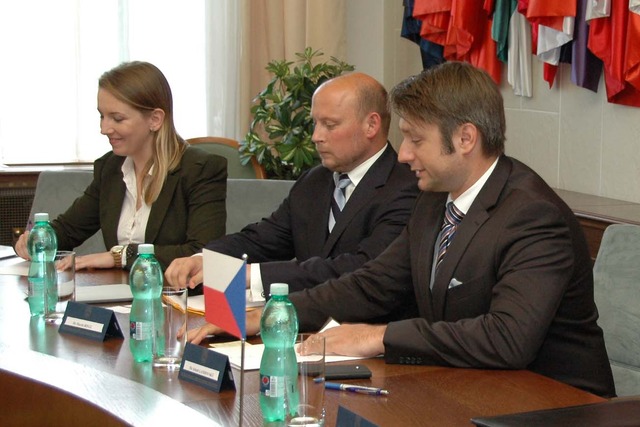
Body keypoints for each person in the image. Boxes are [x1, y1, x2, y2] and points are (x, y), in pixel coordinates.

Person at [189, 62, 617, 398]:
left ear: (465, 138)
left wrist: (376, 336)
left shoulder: (533, 215)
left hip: (556, 404)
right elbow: (373, 283)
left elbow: (506, 338)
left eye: (415, 139)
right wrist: (272, 317)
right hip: (467, 387)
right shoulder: (434, 199)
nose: (403, 154)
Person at [165, 72, 419, 343]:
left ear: (371, 125)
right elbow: (264, 238)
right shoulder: (315, 180)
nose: (316, 136)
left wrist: (249, 275)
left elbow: (360, 269)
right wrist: (207, 259)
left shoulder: (406, 187)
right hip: (298, 333)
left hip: (369, 341)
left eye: (330, 125)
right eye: (315, 123)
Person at [15, 61, 227, 270]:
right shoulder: (110, 167)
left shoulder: (200, 169)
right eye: (102, 116)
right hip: (117, 289)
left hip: (173, 291)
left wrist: (120, 256)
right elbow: (68, 230)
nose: (104, 129)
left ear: (155, 119)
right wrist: (36, 241)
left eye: (117, 119)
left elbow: (202, 254)